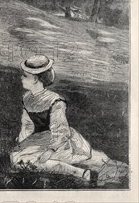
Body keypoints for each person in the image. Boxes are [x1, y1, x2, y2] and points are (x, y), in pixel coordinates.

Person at [11, 55, 129, 185]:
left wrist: (50, 151)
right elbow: (27, 125)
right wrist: (23, 142)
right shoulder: (27, 98)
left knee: (27, 161)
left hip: (58, 142)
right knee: (17, 158)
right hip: (38, 140)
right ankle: (81, 171)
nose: (21, 78)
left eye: (24, 75)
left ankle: (81, 173)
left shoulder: (55, 101)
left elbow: (60, 130)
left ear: (35, 79)